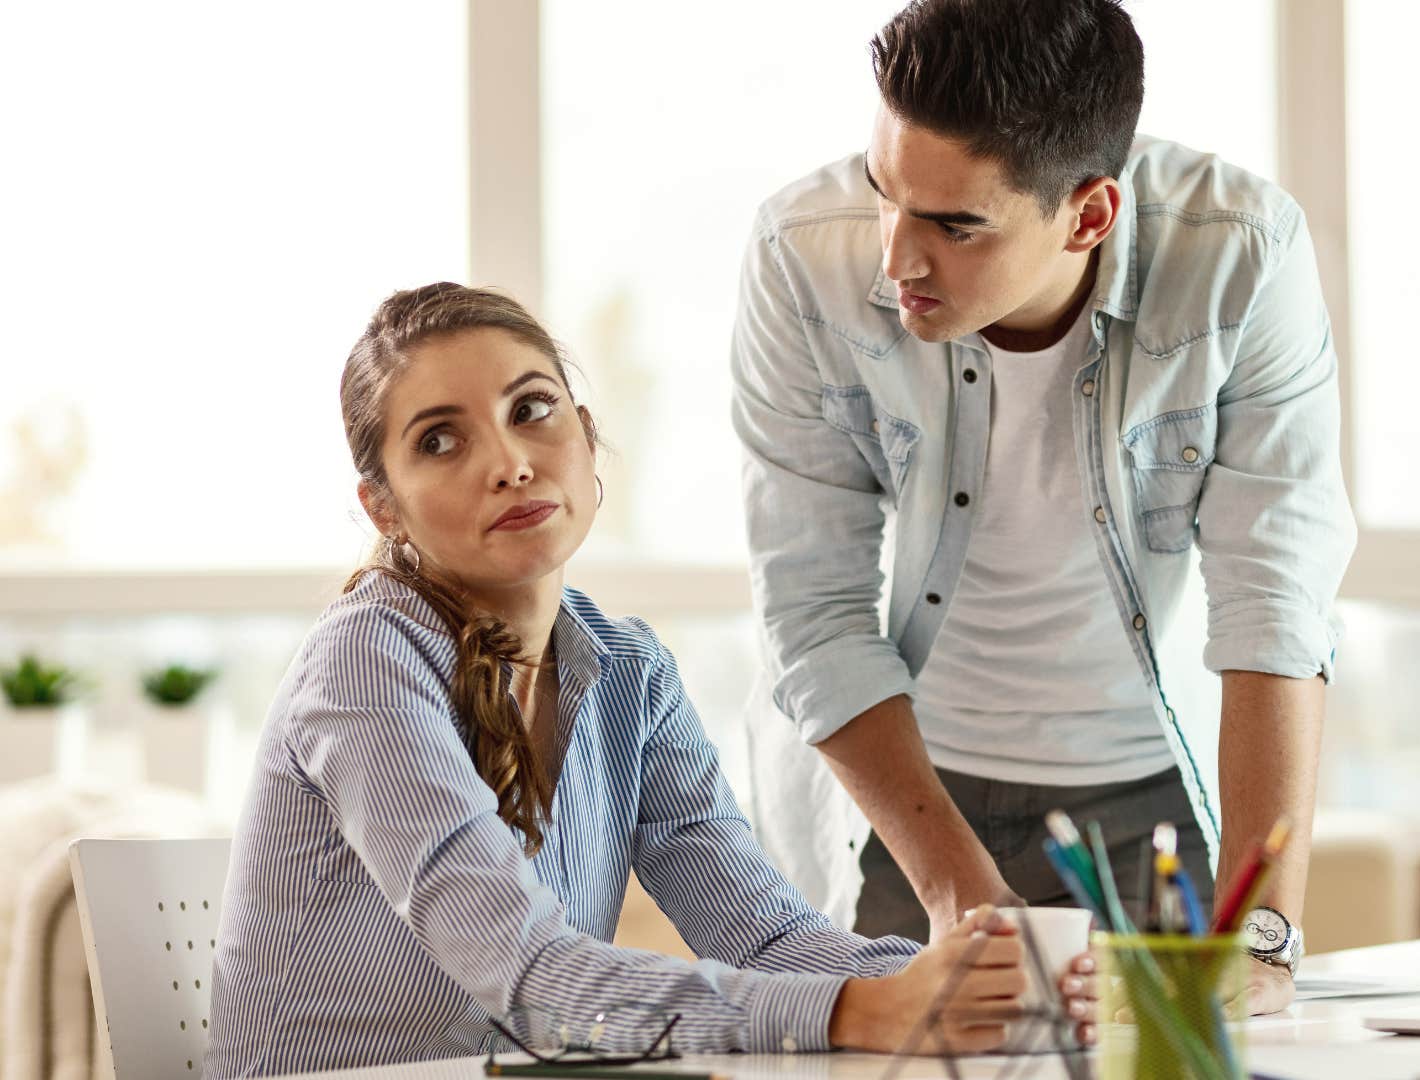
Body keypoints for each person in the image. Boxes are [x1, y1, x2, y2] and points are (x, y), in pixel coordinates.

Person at [207, 284, 1095, 1078]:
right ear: (383, 506)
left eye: (533, 409)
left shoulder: (626, 667)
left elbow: (769, 938)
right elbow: (531, 977)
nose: (510, 462)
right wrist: (865, 1010)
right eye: (440, 440)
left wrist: (976, 982)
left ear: (587, 439)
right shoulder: (367, 661)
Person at [731, 0, 1356, 1015]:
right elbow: (812, 608)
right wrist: (962, 896)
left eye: (954, 224)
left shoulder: (1242, 252)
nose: (896, 261)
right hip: (903, 794)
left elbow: (1275, 598)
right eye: (884, 191)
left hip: (1148, 798)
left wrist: (1264, 942)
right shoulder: (802, 254)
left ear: (1090, 213)